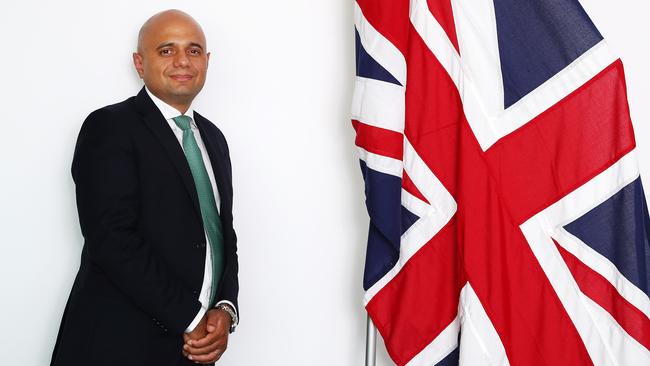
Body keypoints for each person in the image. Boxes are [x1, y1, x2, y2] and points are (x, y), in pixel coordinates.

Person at [50, 9, 239, 365]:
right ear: (140, 63)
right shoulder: (109, 127)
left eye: (194, 50)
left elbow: (222, 234)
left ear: (207, 61)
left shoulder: (214, 139)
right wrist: (193, 317)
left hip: (191, 352)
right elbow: (112, 239)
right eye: (166, 50)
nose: (182, 60)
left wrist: (225, 310)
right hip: (117, 345)